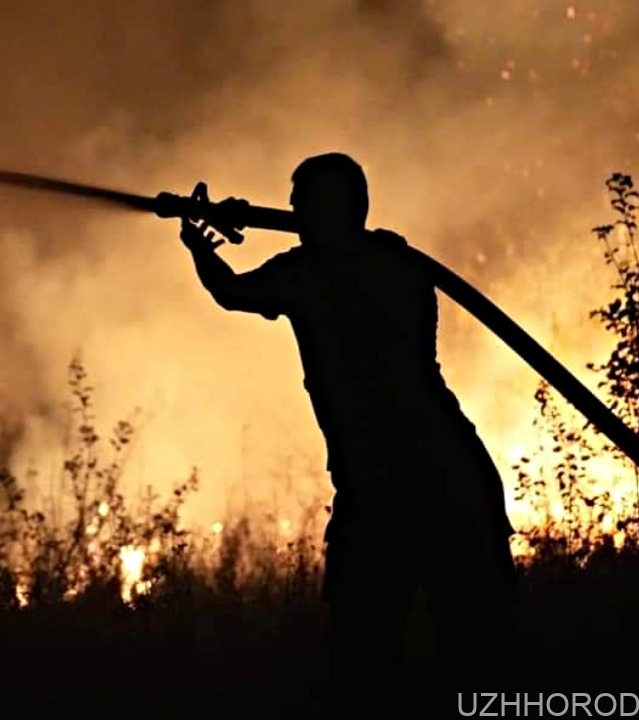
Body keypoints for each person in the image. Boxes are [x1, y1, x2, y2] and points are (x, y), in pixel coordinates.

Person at [176, 152, 519, 708]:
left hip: (386, 490)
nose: (291, 212)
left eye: (299, 205)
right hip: (456, 475)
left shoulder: (311, 273)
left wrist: (201, 246)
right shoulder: (399, 263)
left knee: (366, 658)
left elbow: (234, 292)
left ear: (323, 210)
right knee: (478, 653)